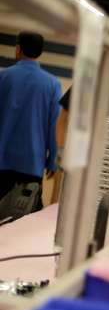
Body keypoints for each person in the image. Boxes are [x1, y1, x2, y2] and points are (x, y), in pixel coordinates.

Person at [0, 32, 61, 205]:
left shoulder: (3, 77)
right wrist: (53, 160)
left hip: (2, 160)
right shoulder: (52, 84)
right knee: (24, 213)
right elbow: (54, 125)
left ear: (18, 49)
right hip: (32, 163)